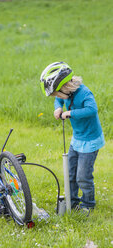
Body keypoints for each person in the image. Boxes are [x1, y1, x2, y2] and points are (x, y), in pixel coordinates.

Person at [40, 62, 105, 211]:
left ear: (65, 86)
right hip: (77, 139)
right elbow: (60, 100)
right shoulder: (65, 93)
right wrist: (58, 108)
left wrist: (70, 113)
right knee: (70, 172)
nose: (57, 96)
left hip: (90, 141)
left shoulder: (84, 93)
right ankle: (73, 201)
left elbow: (92, 109)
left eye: (57, 93)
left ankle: (88, 204)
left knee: (82, 176)